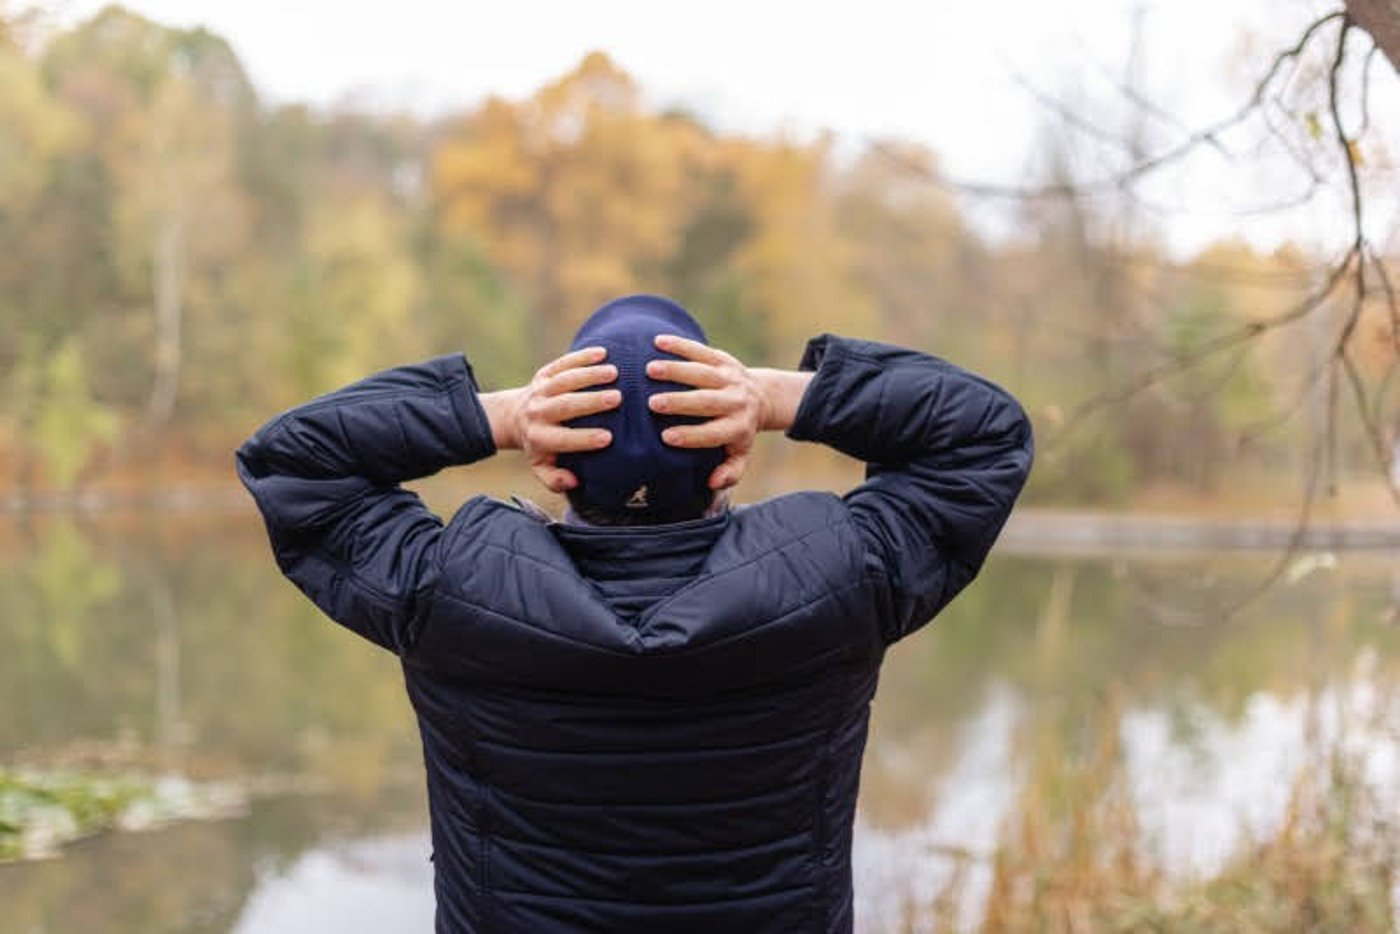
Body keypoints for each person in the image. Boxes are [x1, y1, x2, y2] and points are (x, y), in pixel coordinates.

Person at [236, 294, 1033, 933]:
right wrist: (780, 397)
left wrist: (496, 416)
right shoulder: (838, 580)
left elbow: (295, 463)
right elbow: (982, 437)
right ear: (728, 459)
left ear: (554, 463)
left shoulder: (451, 592)